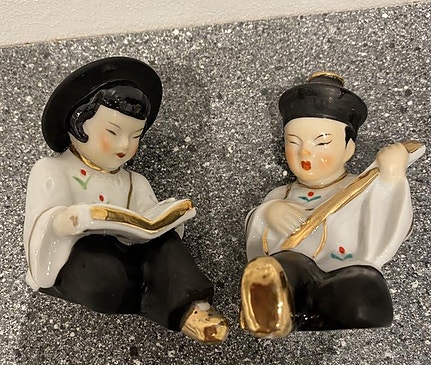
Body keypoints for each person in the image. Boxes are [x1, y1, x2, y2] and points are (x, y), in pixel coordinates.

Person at [24, 56, 228, 344]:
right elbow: (41, 221)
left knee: (167, 244)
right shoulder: (53, 169)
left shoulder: (134, 181)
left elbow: (151, 221)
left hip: (131, 253)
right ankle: (157, 300)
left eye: (135, 136)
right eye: (112, 132)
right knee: (102, 275)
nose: (124, 145)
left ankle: (194, 309)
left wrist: (164, 220)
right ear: (79, 124)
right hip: (83, 259)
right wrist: (63, 222)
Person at [241, 71, 424, 338]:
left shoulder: (360, 187)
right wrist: (268, 212)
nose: (305, 152)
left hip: (345, 270)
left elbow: (389, 220)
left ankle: (310, 310)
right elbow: (255, 229)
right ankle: (272, 306)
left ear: (349, 148)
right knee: (285, 268)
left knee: (362, 286)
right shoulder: (283, 193)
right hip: (295, 271)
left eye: (322, 142)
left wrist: (391, 177)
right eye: (293, 143)